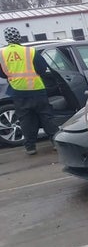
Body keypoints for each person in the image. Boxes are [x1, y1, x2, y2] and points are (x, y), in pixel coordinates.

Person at [0, 27, 58, 155]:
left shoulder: (1, 54)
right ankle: (55, 142)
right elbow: (42, 68)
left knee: (25, 120)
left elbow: (2, 74)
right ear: (18, 37)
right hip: (36, 89)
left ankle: (30, 147)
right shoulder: (30, 51)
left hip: (18, 91)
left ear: (7, 39)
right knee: (46, 116)